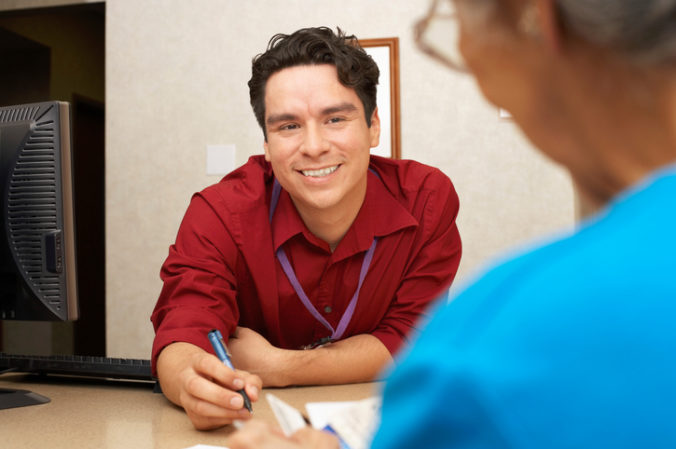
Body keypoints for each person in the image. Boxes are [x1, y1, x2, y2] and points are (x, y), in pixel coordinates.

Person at [227, 0, 676, 447]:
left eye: (456, 21)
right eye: (288, 126)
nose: (314, 145)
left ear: (537, 23)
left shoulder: (496, 348)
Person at [150, 26, 462, 430]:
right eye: (288, 126)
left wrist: (280, 366)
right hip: (254, 429)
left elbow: (411, 337)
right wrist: (191, 382)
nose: (313, 146)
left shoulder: (427, 199)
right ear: (266, 143)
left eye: (335, 119)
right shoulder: (221, 212)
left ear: (373, 127)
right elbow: (185, 325)